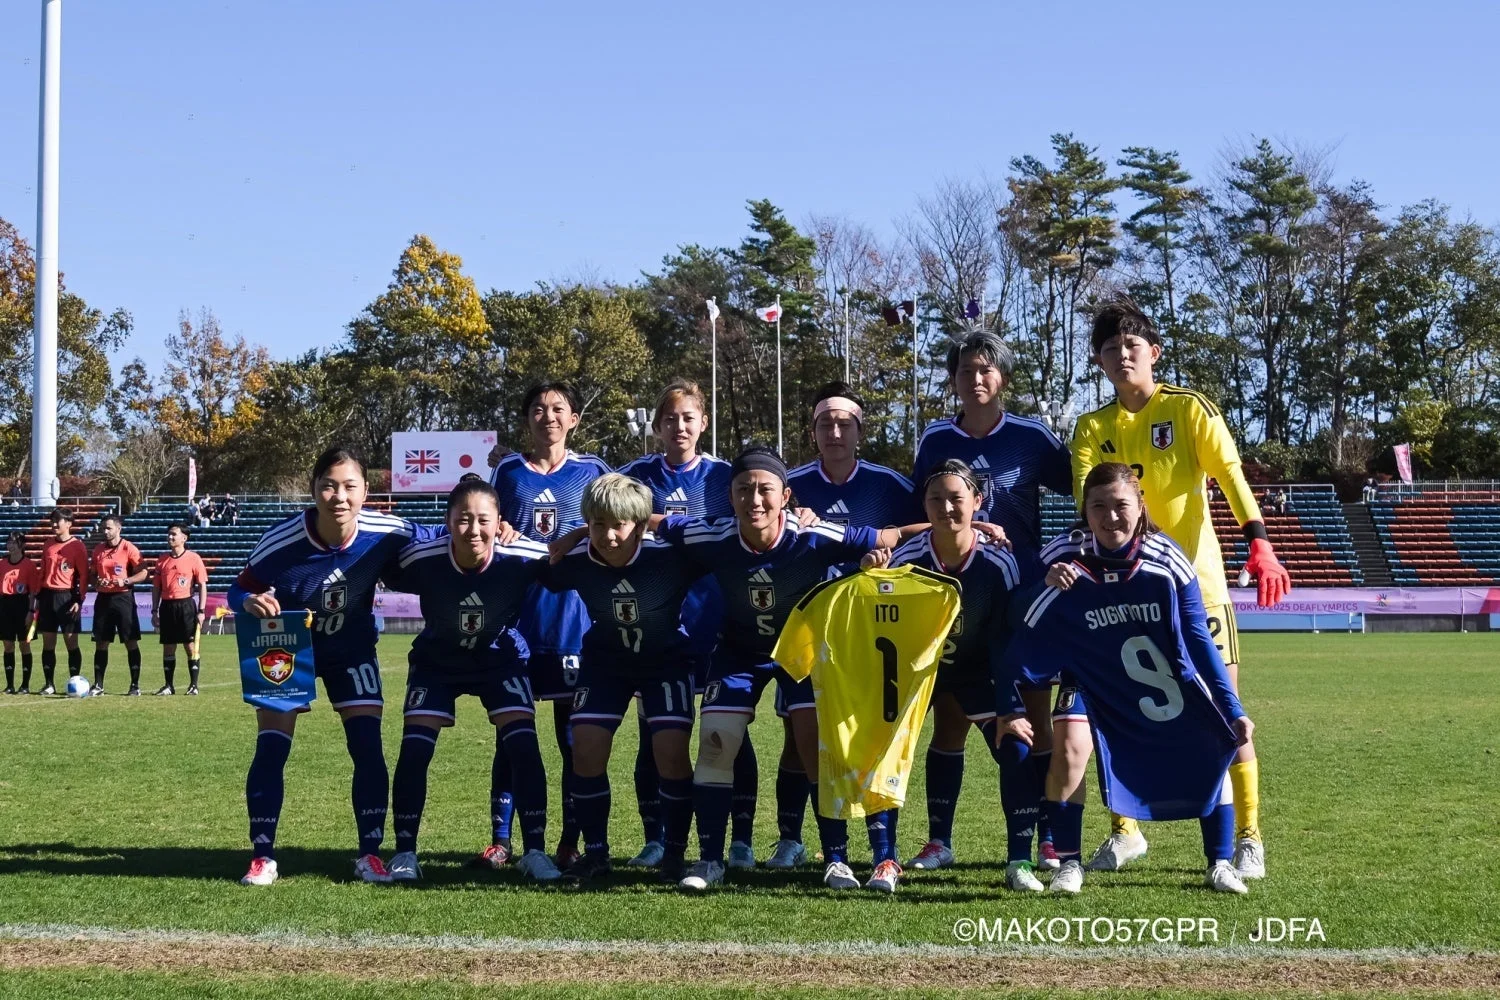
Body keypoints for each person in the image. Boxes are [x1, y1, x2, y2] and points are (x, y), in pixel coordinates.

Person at [1067, 295, 1289, 879]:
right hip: (1123, 596)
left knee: (1222, 712)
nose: (1122, 356)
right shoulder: (1090, 427)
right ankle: (1125, 832)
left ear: (1154, 353)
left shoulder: (1189, 410)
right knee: (1117, 714)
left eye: (1131, 346)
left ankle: (1248, 835)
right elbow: (1084, 504)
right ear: (1099, 360)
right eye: (1110, 349)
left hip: (1199, 589)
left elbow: (1230, 474)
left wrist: (1259, 540)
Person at [646, 446, 928, 892]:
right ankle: (710, 860)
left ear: (786, 495)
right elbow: (649, 520)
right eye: (743, 490)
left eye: (765, 490)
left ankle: (834, 859)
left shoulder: (812, 535)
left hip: (803, 653)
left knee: (813, 746)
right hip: (738, 652)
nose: (754, 500)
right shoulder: (711, 534)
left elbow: (887, 537)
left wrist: (963, 525)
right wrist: (577, 532)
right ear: (729, 495)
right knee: (717, 744)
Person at [1003, 462, 1255, 895]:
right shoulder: (1064, 551)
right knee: (1068, 749)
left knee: (1215, 742)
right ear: (1085, 510)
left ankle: (1219, 862)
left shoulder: (1166, 557)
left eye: (1120, 505)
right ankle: (1068, 864)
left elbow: (1196, 635)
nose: (1110, 516)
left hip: (1162, 680)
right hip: (1088, 678)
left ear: (1140, 506)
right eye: (1098, 506)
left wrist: (1231, 707)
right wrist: (1042, 582)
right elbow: (1017, 612)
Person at [911, 331, 1071, 871]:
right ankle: (939, 840)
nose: (975, 380)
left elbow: (1082, 490)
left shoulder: (1032, 437)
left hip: (1025, 598)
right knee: (950, 718)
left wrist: (1063, 558)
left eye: (985, 369)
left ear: (1001, 376)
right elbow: (923, 512)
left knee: (1035, 719)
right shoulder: (934, 439)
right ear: (953, 379)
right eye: (964, 371)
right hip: (959, 595)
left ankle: (1047, 837)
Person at [227, 446, 422, 887]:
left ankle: (369, 854)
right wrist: (250, 601)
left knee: (367, 747)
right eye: (329, 486)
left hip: (351, 648)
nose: (339, 496)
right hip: (287, 648)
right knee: (272, 748)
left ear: (365, 491)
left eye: (350, 486)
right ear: (314, 489)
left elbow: (441, 535)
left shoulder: (388, 530)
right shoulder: (281, 542)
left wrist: (498, 526)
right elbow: (239, 589)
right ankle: (262, 856)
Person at [863, 459, 1038, 890]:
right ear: (923, 504)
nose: (946, 507)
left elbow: (1006, 635)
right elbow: (885, 622)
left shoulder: (999, 561)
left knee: (1015, 742)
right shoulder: (907, 558)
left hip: (979, 666)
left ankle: (1021, 859)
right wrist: (874, 577)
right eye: (935, 499)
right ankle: (888, 858)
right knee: (883, 747)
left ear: (977, 502)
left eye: (957, 498)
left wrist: (1008, 706)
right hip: (919, 670)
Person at [768, 381, 918, 870]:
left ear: (859, 431)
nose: (835, 430)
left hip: (867, 633)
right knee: (801, 737)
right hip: (808, 628)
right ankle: (792, 837)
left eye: (844, 423)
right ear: (813, 432)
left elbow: (921, 528)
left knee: (866, 736)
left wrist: (890, 546)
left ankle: (879, 849)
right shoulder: (788, 485)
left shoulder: (889, 485)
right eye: (825, 423)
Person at [382, 480, 562, 884]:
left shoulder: (521, 556)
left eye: (484, 520)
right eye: (463, 519)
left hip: (499, 656)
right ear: (447, 522)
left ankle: (534, 850)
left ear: (500, 523)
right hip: (438, 658)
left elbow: (567, 564)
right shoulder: (422, 558)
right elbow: (378, 565)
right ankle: (405, 851)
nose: (474, 529)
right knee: (414, 750)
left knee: (524, 746)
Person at [540, 474, 708, 884]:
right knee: (586, 750)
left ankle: (673, 854)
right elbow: (534, 568)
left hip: (665, 661)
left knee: (670, 753)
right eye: (598, 525)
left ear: (640, 523)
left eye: (619, 525)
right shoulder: (577, 559)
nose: (608, 536)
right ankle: (596, 855)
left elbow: (716, 541)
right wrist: (573, 535)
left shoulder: (671, 555)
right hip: (605, 664)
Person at [614, 379, 743, 871]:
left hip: (715, 621)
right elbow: (608, 522)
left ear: (703, 422)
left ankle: (740, 838)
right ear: (658, 426)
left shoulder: (726, 477)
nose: (680, 426)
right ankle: (656, 836)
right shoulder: (634, 477)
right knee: (655, 734)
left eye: (689, 417)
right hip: (656, 626)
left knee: (727, 732)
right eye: (670, 419)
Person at [487, 382, 612, 871]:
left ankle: (568, 841)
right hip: (517, 624)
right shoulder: (508, 472)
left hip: (574, 626)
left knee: (573, 741)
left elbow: (619, 519)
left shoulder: (593, 472)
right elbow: (485, 521)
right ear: (527, 419)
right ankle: (500, 839)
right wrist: (498, 526)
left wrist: (581, 530)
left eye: (558, 409)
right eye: (538, 409)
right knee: (511, 737)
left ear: (575, 418)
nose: (549, 417)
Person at [89, 514, 147, 695]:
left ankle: (134, 685)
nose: (105, 531)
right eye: (103, 528)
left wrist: (126, 581)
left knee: (130, 641)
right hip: (103, 600)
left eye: (109, 528)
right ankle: (98, 685)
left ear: (118, 529)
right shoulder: (98, 549)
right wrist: (97, 582)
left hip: (123, 599)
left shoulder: (129, 548)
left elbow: (144, 572)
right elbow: (92, 574)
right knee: (101, 642)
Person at [151, 523, 208, 695]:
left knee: (190, 646)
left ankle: (193, 685)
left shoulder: (193, 558)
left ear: (184, 538)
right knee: (168, 647)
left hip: (186, 606)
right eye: (169, 534)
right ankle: (169, 685)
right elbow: (156, 588)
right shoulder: (162, 560)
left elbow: (202, 585)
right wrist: (154, 610)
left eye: (174, 534)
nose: (170, 537)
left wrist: (201, 610)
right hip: (167, 606)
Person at [36, 508, 88, 695]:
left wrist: (78, 600)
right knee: (48, 643)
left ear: (69, 524)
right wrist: (37, 596)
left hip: (67, 598)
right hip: (48, 596)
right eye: (52, 521)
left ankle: (75, 682)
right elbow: (42, 572)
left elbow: (83, 576)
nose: (54, 524)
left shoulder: (78, 546)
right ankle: (49, 684)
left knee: (70, 643)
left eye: (58, 521)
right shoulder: (48, 544)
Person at [0, 531, 40, 694]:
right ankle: (9, 685)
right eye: (9, 542)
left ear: (22, 545)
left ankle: (25, 685)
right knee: (8, 645)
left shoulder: (29, 565)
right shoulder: (2, 564)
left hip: (23, 606)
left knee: (25, 645)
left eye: (14, 543)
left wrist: (31, 611)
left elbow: (33, 592)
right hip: (4, 606)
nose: (10, 545)